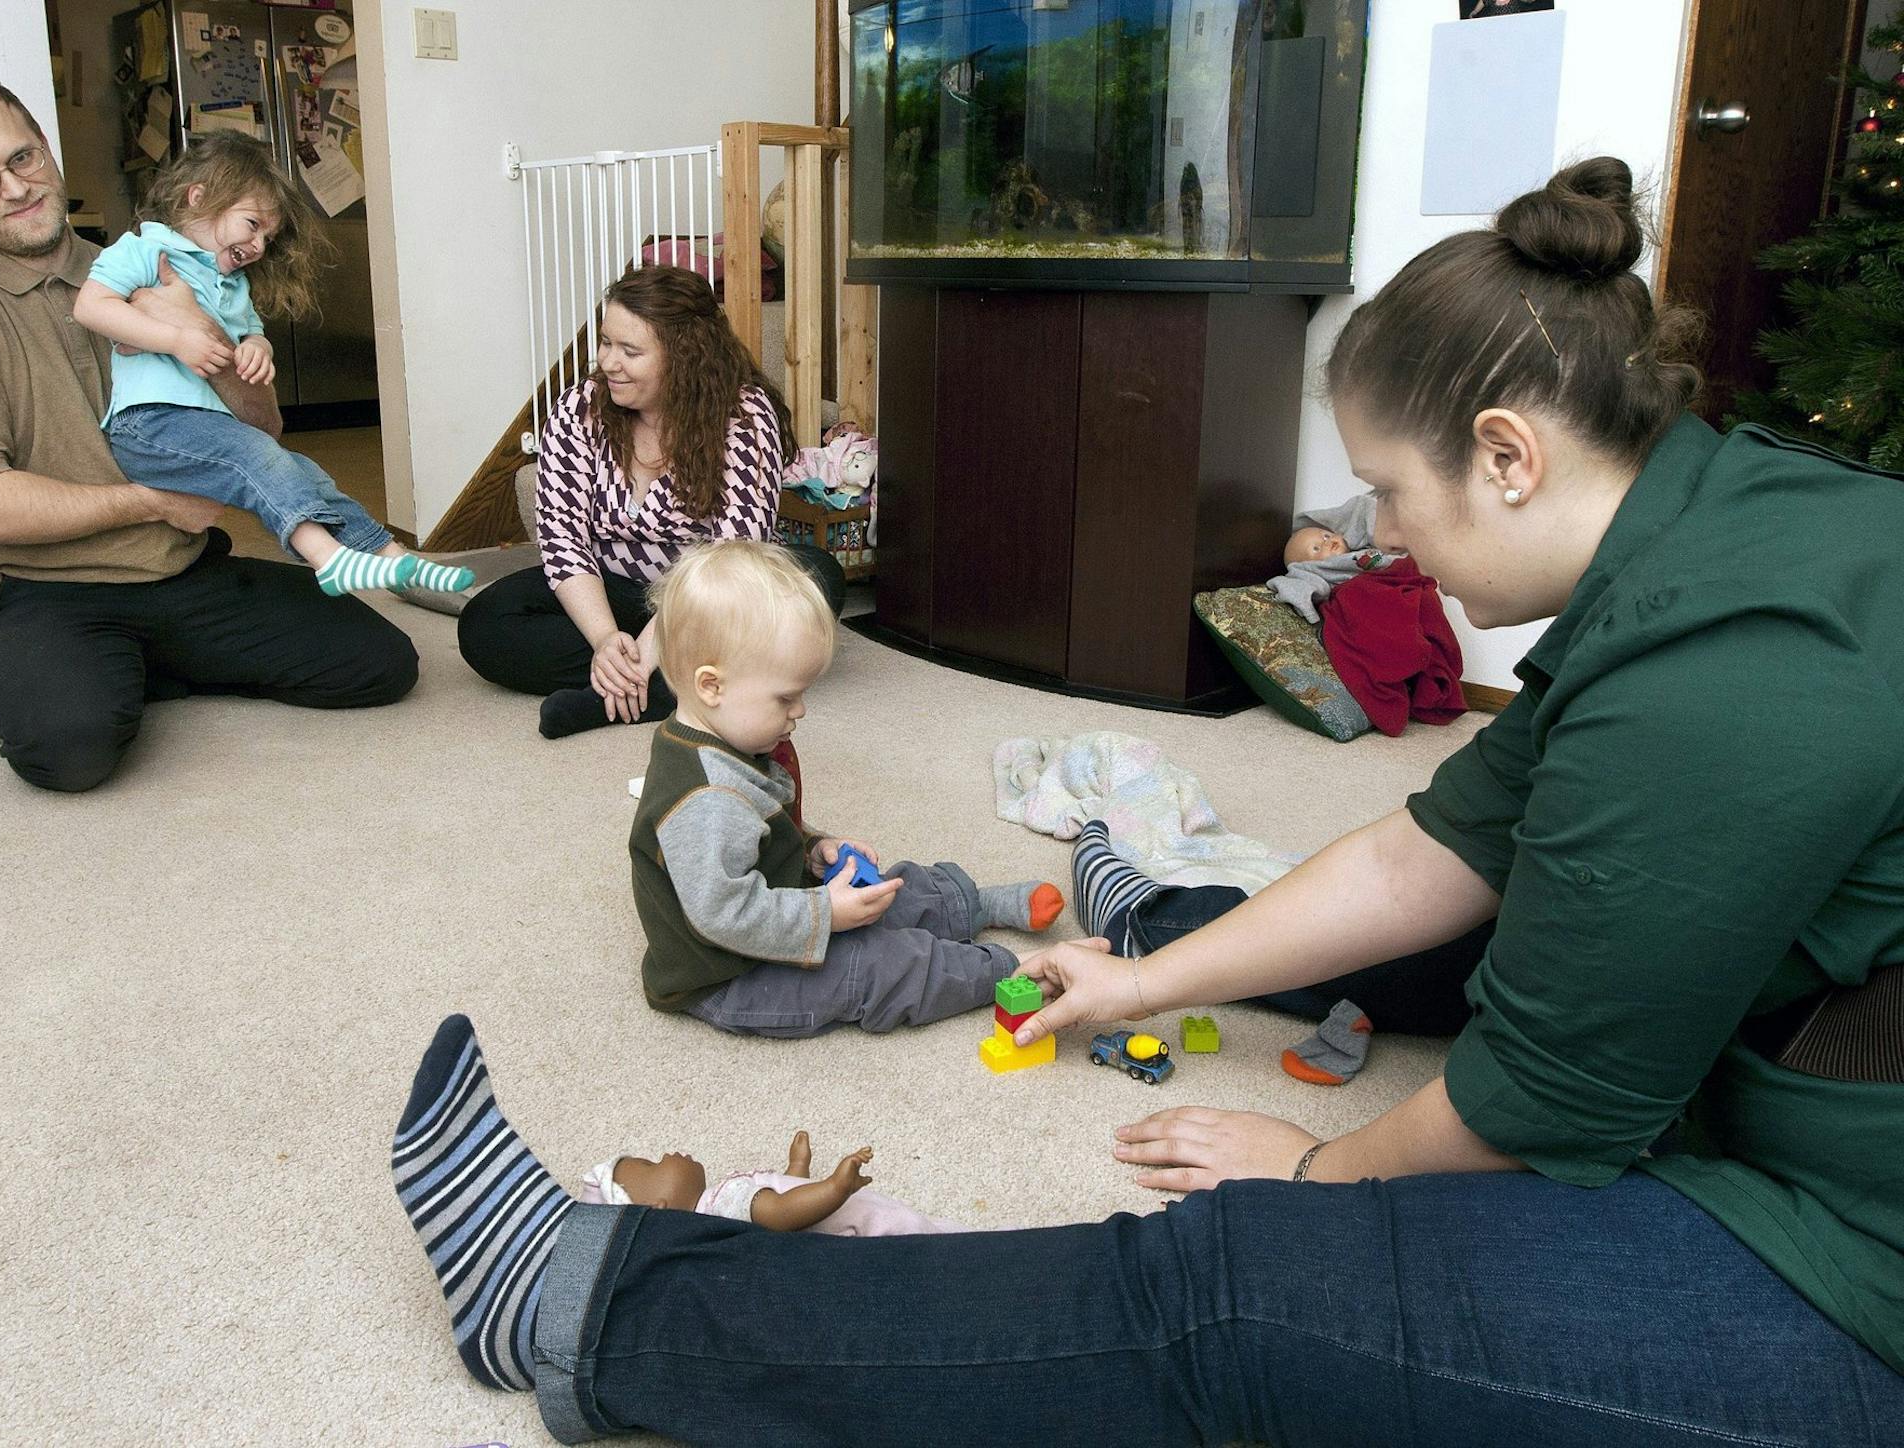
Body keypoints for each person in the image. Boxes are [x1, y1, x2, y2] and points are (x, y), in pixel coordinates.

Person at [389, 158, 1904, 1442]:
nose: (1374, 532)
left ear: (1506, 456)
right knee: (1487, 926)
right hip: (1780, 1025)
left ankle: (593, 1307)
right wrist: (1150, 981)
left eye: (1387, 489)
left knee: (1239, 1286)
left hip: (1859, 1271)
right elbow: (1439, 845)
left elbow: (1539, 1112)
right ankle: (1146, 915)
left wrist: (1318, 1173)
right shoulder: (1727, 529)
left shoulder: (1732, 676)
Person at [0, 74, 417, 793]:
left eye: (23, 158)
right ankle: (99, 671)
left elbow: (264, 432)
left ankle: (137, 666)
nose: (15, 188)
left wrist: (198, 334)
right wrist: (155, 502)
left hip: (181, 568)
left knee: (380, 665)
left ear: (46, 146)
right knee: (67, 751)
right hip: (43, 589)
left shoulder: (161, 260)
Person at [633, 541, 1064, 1037]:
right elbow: (726, 915)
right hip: (731, 976)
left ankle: (972, 905)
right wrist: (823, 913)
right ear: (712, 686)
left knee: (884, 887)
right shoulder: (705, 801)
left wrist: (813, 848)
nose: (800, 711)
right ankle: (1002, 972)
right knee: (876, 965)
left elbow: (759, 824)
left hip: (779, 908)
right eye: (786, 697)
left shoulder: (724, 742)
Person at [74, 132, 472, 601]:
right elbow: (91, 307)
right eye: (252, 224)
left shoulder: (231, 283)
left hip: (206, 425)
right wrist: (177, 338)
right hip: (150, 426)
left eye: (268, 236)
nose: (260, 244)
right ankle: (327, 558)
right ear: (198, 198)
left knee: (302, 470)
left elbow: (250, 332)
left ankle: (393, 559)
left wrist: (258, 348)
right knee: (257, 456)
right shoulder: (145, 249)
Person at [455, 266, 847, 740]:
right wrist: (603, 640)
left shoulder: (744, 414)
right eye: (605, 343)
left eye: (631, 351)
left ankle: (621, 695)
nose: (609, 363)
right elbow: (562, 537)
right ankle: (663, 684)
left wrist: (650, 645)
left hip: (711, 597)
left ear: (685, 356)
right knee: (486, 622)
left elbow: (732, 551)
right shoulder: (581, 408)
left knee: (816, 579)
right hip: (614, 591)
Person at [578, 1130, 959, 1236]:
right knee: (924, 1236)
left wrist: (796, 1168)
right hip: (864, 1226)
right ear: (659, 1211)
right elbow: (780, 1212)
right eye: (651, 1163)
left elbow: (786, 1210)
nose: (666, 1154)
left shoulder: (719, 1210)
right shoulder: (718, 1206)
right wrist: (835, 1187)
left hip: (840, 1219)